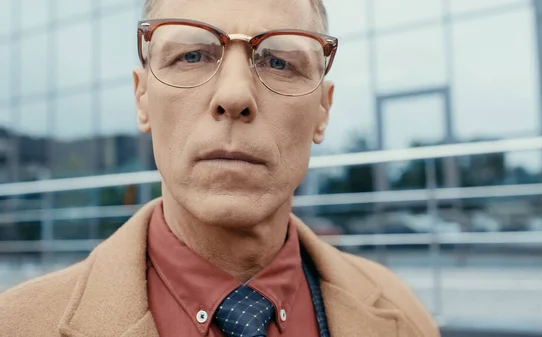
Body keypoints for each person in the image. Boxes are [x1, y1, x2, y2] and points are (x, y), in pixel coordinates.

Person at [0, 0, 440, 336]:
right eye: (192, 56)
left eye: (278, 61)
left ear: (323, 111)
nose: (234, 96)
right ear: (142, 99)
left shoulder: (406, 316)